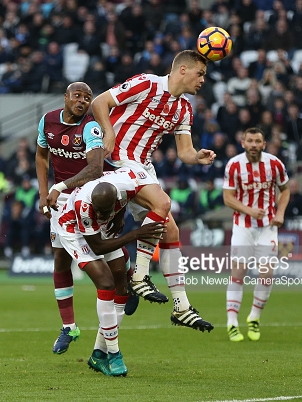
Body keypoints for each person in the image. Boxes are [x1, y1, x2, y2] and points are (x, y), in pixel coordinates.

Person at [92, 49, 215, 332]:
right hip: (117, 161)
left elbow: (185, 151)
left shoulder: (184, 109)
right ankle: (140, 275)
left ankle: (181, 307)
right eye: (200, 74)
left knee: (171, 232)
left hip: (143, 168)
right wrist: (108, 132)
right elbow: (100, 102)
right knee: (163, 203)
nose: (202, 81)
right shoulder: (147, 83)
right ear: (182, 70)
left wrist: (198, 157)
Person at [55, 167, 166, 376]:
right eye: (99, 211)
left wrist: (119, 214)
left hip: (103, 228)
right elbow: (98, 247)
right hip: (74, 229)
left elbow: (134, 196)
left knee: (121, 289)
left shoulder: (126, 186)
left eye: (105, 211)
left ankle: (98, 354)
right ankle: (114, 354)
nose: (100, 214)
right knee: (106, 283)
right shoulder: (85, 207)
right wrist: (137, 233)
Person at [36, 82, 120, 355]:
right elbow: (41, 156)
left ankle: (129, 283)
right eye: (77, 96)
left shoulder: (90, 127)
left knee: (110, 257)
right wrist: (43, 193)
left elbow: (95, 169)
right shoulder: (47, 121)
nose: (83, 101)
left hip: (91, 198)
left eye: (87, 97)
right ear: (66, 98)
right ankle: (69, 326)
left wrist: (59, 187)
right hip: (60, 201)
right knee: (60, 260)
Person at [222, 127, 290, 342]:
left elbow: (285, 190)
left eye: (257, 141)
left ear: (264, 144)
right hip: (243, 226)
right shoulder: (234, 164)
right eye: (249, 140)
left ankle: (254, 317)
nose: (253, 144)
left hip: (268, 227)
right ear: (243, 143)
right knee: (238, 274)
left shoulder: (275, 164)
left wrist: (280, 212)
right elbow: (227, 197)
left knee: (267, 274)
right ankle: (232, 322)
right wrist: (249, 210)